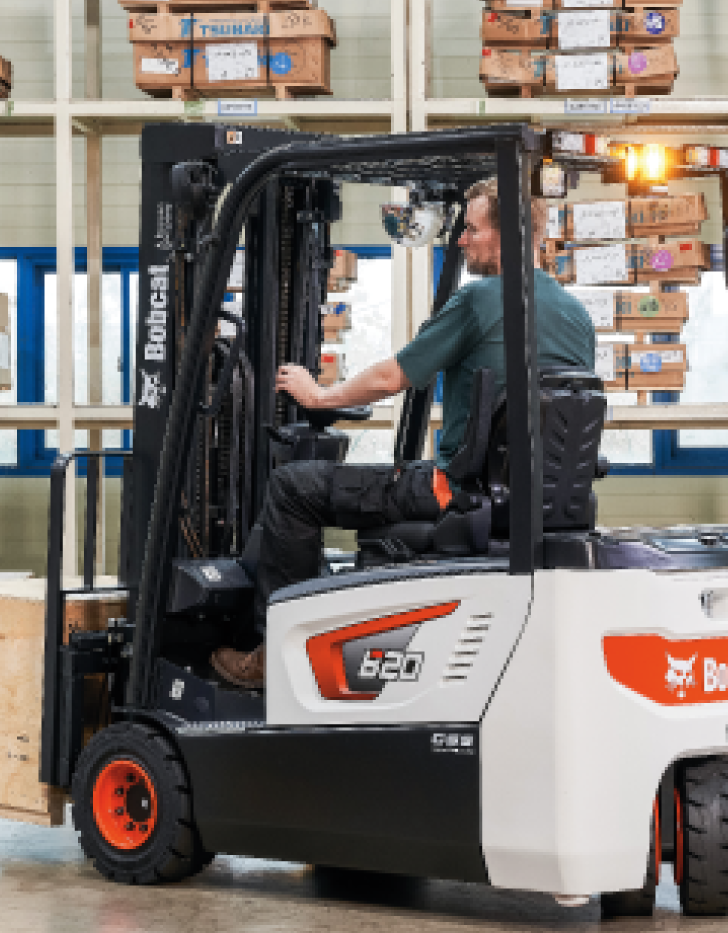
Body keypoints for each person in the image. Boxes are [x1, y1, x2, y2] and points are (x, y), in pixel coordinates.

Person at [210, 177, 598, 689]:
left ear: (506, 237)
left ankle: (279, 659)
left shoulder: (482, 300)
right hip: (527, 506)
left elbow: (393, 377)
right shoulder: (576, 316)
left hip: (455, 494)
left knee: (294, 488)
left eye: (472, 230)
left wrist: (318, 396)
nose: (460, 240)